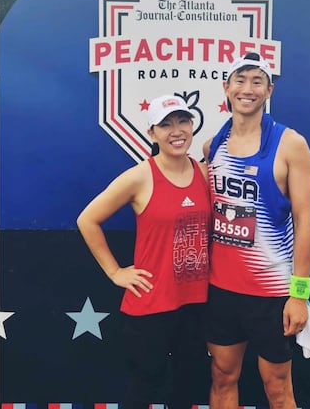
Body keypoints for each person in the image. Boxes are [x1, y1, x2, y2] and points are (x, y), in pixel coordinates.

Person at [76, 94, 210, 409]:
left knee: (187, 386)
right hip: (151, 304)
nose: (176, 131)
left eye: (182, 121)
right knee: (143, 387)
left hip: (196, 302)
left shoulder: (205, 173)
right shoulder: (141, 176)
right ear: (152, 133)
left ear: (193, 125)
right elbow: (88, 220)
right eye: (166, 124)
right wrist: (114, 271)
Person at [203, 53, 310, 409]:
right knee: (222, 377)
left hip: (271, 294)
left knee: (278, 388)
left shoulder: (291, 144)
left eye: (256, 81)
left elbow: (306, 221)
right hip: (221, 290)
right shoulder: (212, 145)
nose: (247, 89)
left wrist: (299, 295)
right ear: (226, 87)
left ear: (269, 90)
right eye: (240, 80)